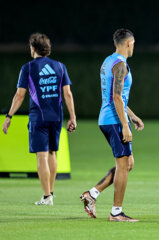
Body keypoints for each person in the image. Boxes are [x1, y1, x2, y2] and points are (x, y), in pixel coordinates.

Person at [2, 33, 76, 205]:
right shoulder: (60, 66)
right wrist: (72, 117)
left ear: (33, 48)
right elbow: (68, 94)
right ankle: (50, 193)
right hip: (56, 117)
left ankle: (46, 196)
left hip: (38, 117)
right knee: (52, 153)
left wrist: (9, 116)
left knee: (41, 156)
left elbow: (20, 96)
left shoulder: (28, 68)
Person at [80, 28, 144, 222]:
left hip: (109, 117)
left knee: (128, 164)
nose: (134, 47)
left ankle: (93, 193)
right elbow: (116, 97)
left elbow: (117, 96)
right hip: (114, 120)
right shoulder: (121, 65)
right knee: (123, 165)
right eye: (133, 44)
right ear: (129, 43)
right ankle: (116, 212)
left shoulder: (108, 61)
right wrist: (125, 125)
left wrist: (132, 116)